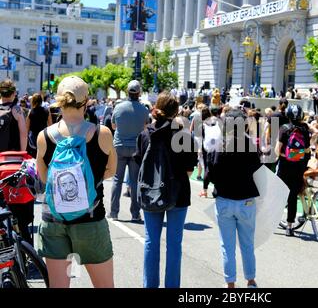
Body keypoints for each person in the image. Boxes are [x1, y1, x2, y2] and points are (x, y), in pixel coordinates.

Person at [36, 76, 117, 288]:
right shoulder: (102, 133)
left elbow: (45, 178)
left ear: (59, 101)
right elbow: (111, 171)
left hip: (54, 220)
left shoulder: (44, 136)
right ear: (87, 100)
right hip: (90, 219)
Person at [134, 92, 197, 288]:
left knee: (151, 242)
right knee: (174, 245)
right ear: (177, 112)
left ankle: (149, 285)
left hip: (151, 191)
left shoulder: (145, 134)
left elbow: (139, 162)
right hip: (178, 194)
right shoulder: (184, 136)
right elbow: (189, 170)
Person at [207, 108, 262, 288]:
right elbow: (257, 169)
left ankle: (230, 284)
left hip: (224, 199)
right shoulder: (250, 145)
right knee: (247, 244)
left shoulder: (218, 144)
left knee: (227, 246)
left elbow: (211, 172)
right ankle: (251, 280)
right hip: (246, 199)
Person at [109, 80, 149, 222]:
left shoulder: (119, 107)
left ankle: (113, 213)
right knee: (134, 182)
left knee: (117, 180)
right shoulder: (144, 110)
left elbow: (113, 126)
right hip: (136, 148)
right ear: (139, 93)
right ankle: (135, 213)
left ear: (127, 92)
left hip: (119, 146)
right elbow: (145, 128)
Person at [275, 105, 311, 237]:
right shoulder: (305, 129)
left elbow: (277, 151)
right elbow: (307, 150)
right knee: (293, 197)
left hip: (285, 167)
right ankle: (289, 227)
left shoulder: (284, 128)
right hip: (299, 167)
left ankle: (272, 219)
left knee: (280, 193)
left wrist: (288, 155)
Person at [0, 79, 27, 152]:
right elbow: (23, 135)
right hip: (11, 156)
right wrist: (23, 153)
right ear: (14, 93)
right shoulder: (17, 110)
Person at [26, 93, 53, 158]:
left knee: (34, 156)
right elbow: (50, 125)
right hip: (43, 135)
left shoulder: (31, 112)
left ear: (33, 101)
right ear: (41, 101)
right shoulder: (46, 111)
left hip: (33, 137)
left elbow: (27, 127)